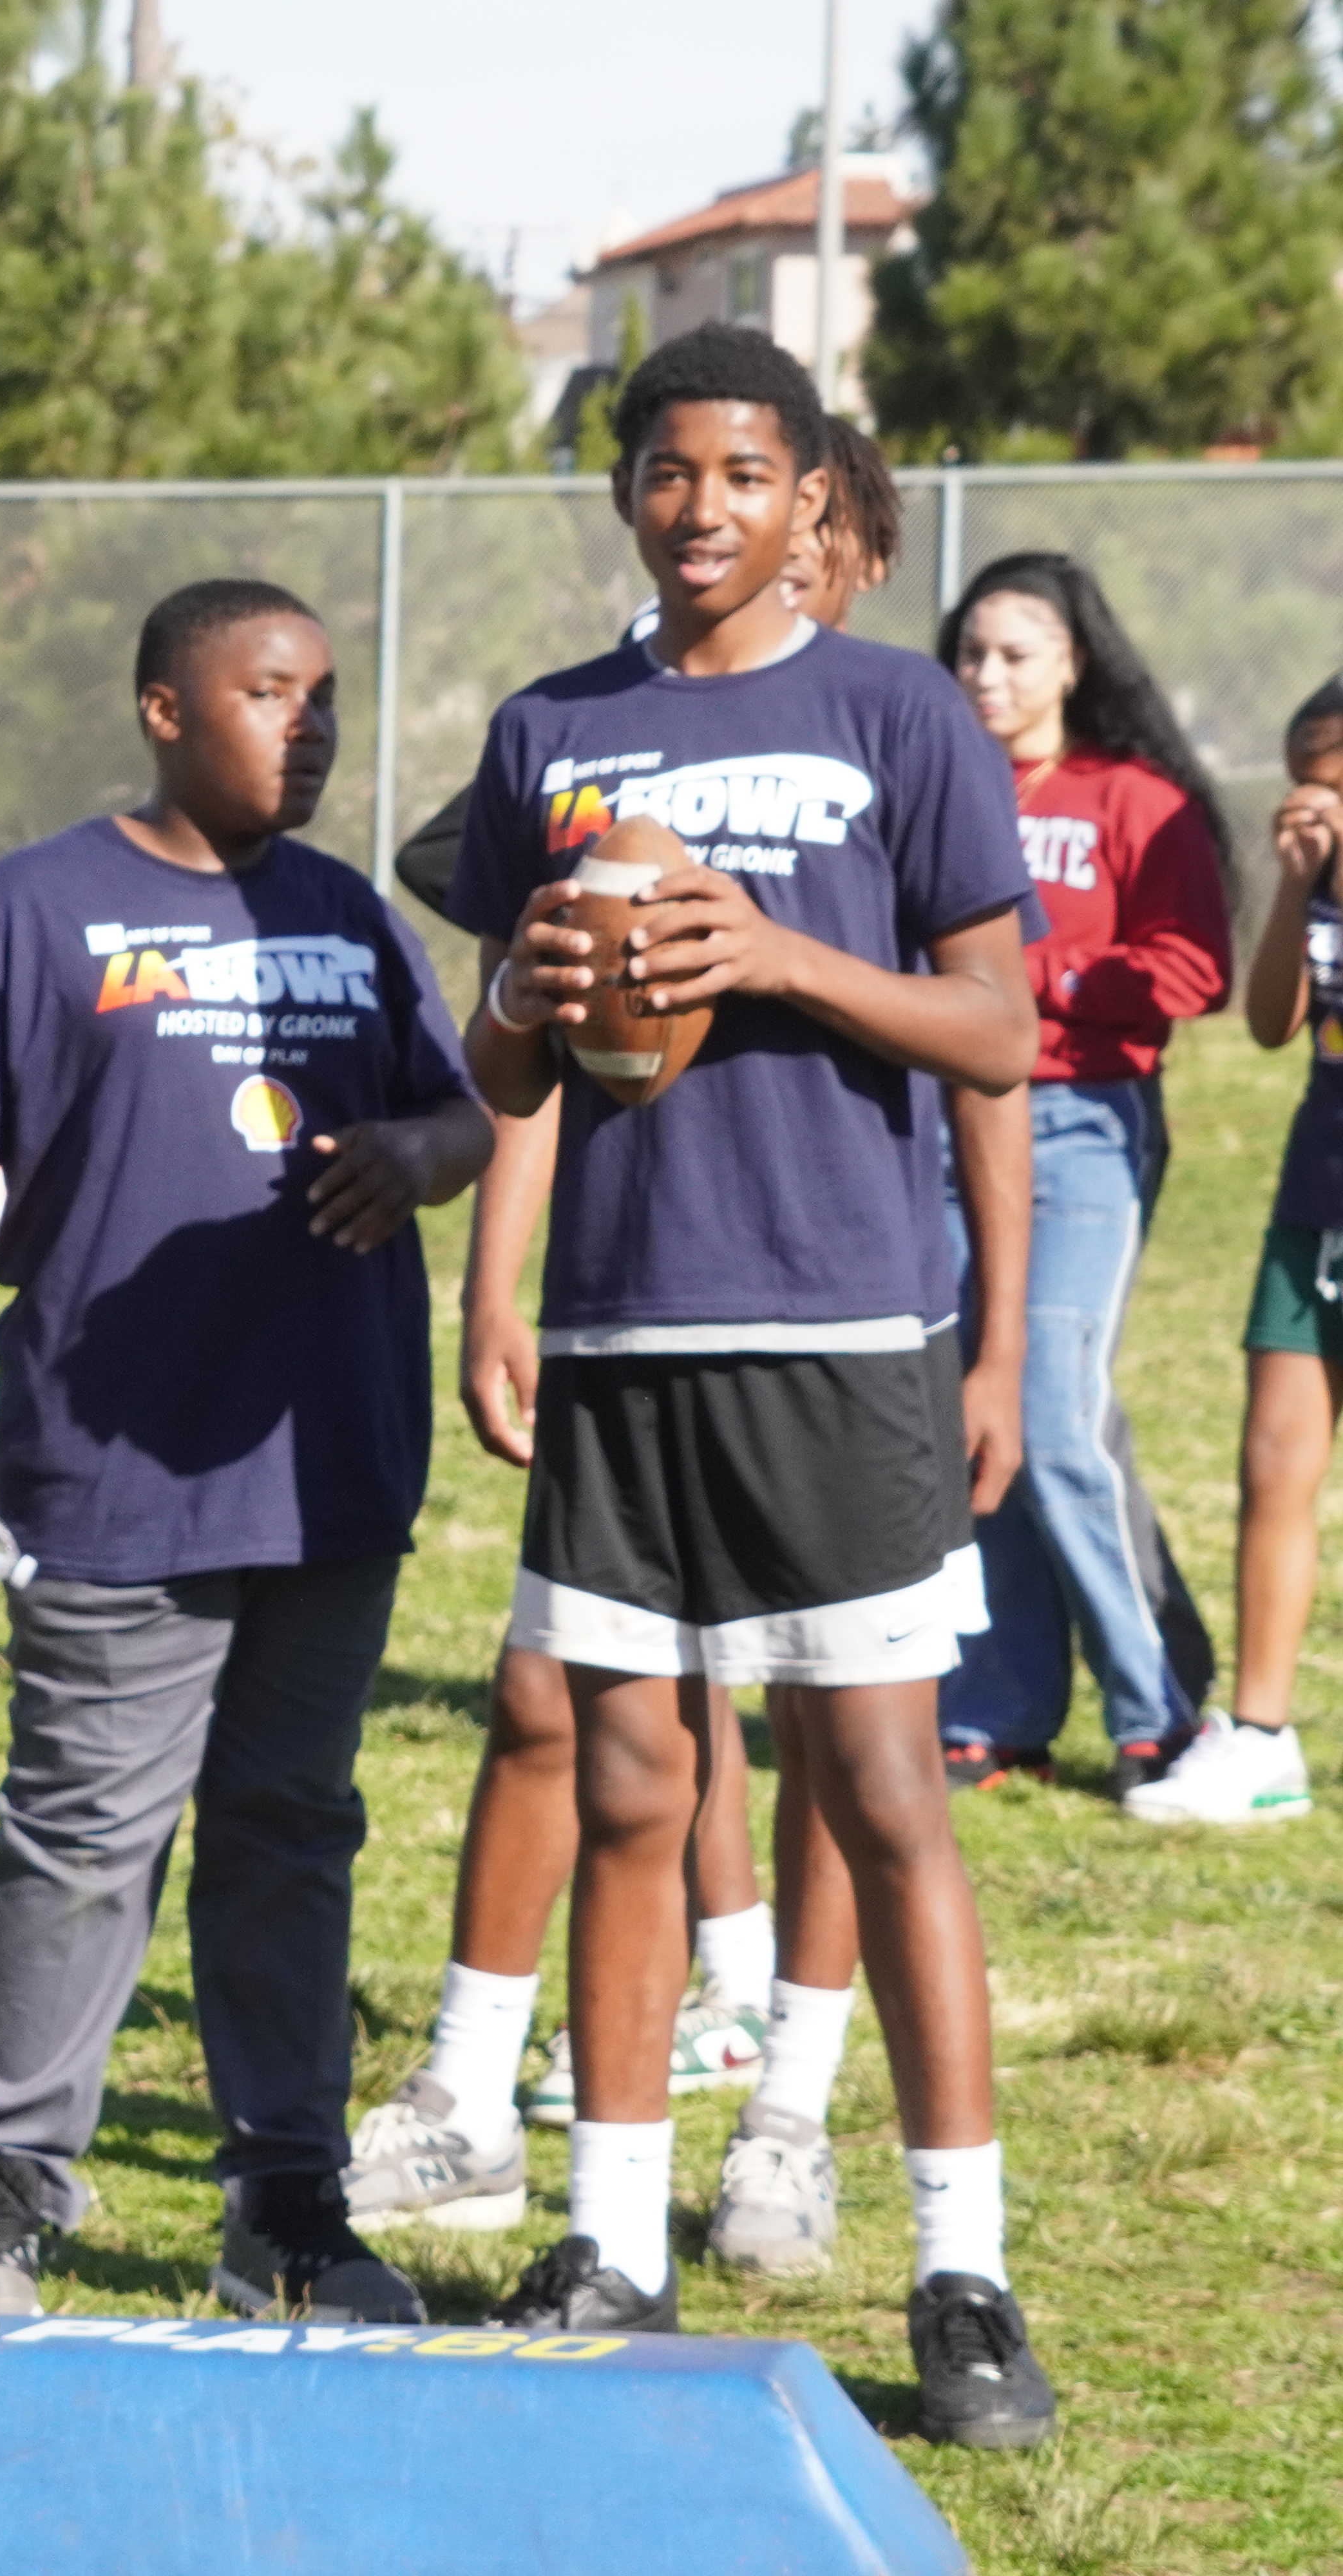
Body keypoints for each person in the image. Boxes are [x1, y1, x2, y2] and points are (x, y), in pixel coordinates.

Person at [444, 325, 1054, 2448]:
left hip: (839, 1337)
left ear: (810, 497)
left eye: (738, 471)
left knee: (882, 1798)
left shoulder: (897, 715)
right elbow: (504, 1062)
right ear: (627, 495)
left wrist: (774, 954)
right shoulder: (551, 729)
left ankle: (962, 2272)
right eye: (662, 471)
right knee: (627, 1789)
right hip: (623, 1338)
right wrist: (499, 1220)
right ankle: (612, 2233)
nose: (698, 505)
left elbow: (996, 1031)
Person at [0, 578, 492, 2324]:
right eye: (271, 692)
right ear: (164, 707)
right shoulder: (39, 906)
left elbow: (464, 1108)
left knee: (293, 1830)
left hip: (329, 1470)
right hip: (116, 1471)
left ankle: (282, 2209)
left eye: (329, 699)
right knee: (83, 1834)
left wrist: (423, 1159)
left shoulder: (353, 917)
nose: (313, 727)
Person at [935, 553, 1235, 1792]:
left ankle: (1157, 1708)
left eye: (1015, 653)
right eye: (971, 653)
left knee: (1053, 1410)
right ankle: (998, 1713)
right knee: (972, 1419)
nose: (989, 676)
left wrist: (1038, 982)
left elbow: (1192, 970)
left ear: (1073, 663)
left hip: (1084, 1127)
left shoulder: (1132, 797)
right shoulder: (938, 787)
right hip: (946, 1132)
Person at [1165, 683, 1343, 1826]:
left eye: (1330, 773)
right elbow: (1271, 1021)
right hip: (1316, 1194)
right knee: (1274, 1458)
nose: (1310, 797)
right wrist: (1294, 883)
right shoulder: (1314, 872)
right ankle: (1263, 1735)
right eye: (1301, 774)